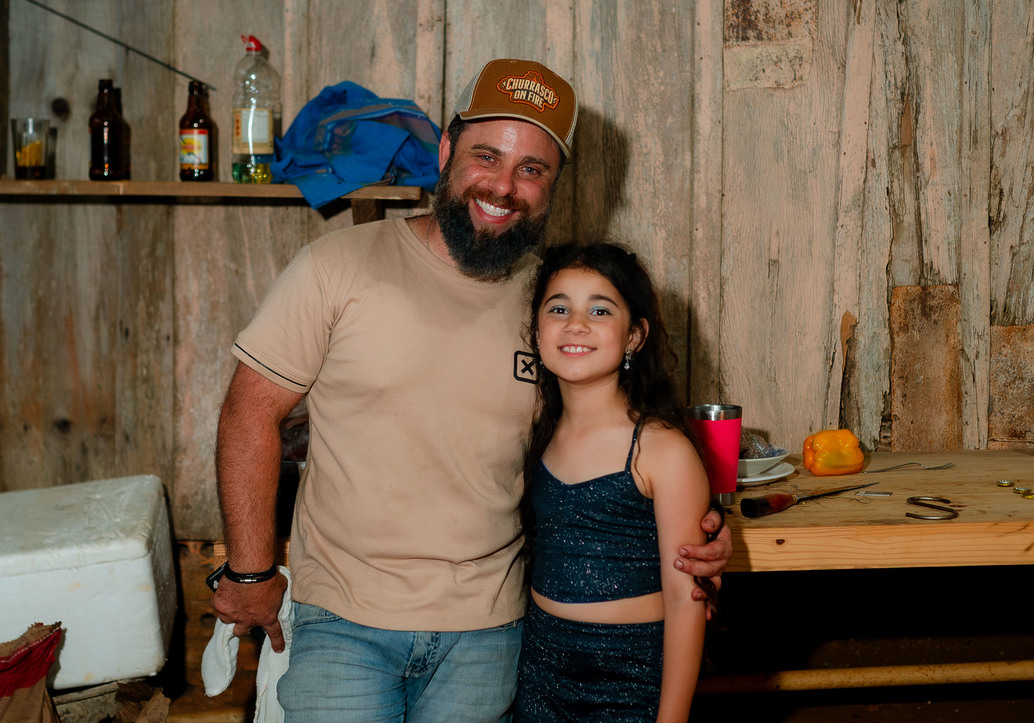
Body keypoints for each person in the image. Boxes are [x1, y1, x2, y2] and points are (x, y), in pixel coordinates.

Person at [211, 58, 730, 722]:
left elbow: (604, 438)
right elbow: (249, 412)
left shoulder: (551, 303)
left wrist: (695, 526)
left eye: (532, 169)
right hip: (345, 621)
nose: (504, 186)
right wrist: (251, 572)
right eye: (487, 156)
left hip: (492, 635)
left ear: (552, 186)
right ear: (447, 152)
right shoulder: (337, 267)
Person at [514, 242, 710, 721]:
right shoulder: (536, 432)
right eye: (558, 308)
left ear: (634, 337)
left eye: (600, 310)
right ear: (536, 331)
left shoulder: (660, 449)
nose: (576, 324)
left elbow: (686, 600)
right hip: (539, 672)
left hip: (628, 680)